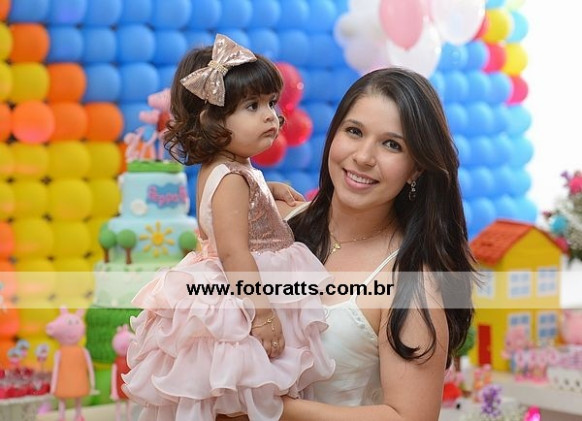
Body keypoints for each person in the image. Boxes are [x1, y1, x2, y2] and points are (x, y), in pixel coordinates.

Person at [122, 34, 335, 421]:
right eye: (253, 106)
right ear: (211, 119)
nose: (270, 115)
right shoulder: (233, 179)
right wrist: (262, 314)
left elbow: (227, 207)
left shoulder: (230, 169)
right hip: (246, 291)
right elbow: (235, 251)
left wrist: (265, 190)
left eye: (271, 103)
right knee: (248, 387)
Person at [276, 67, 477, 420]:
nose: (364, 157)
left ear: (416, 168)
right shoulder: (277, 225)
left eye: (392, 144)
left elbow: (410, 417)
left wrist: (273, 410)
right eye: (354, 131)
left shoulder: (412, 283)